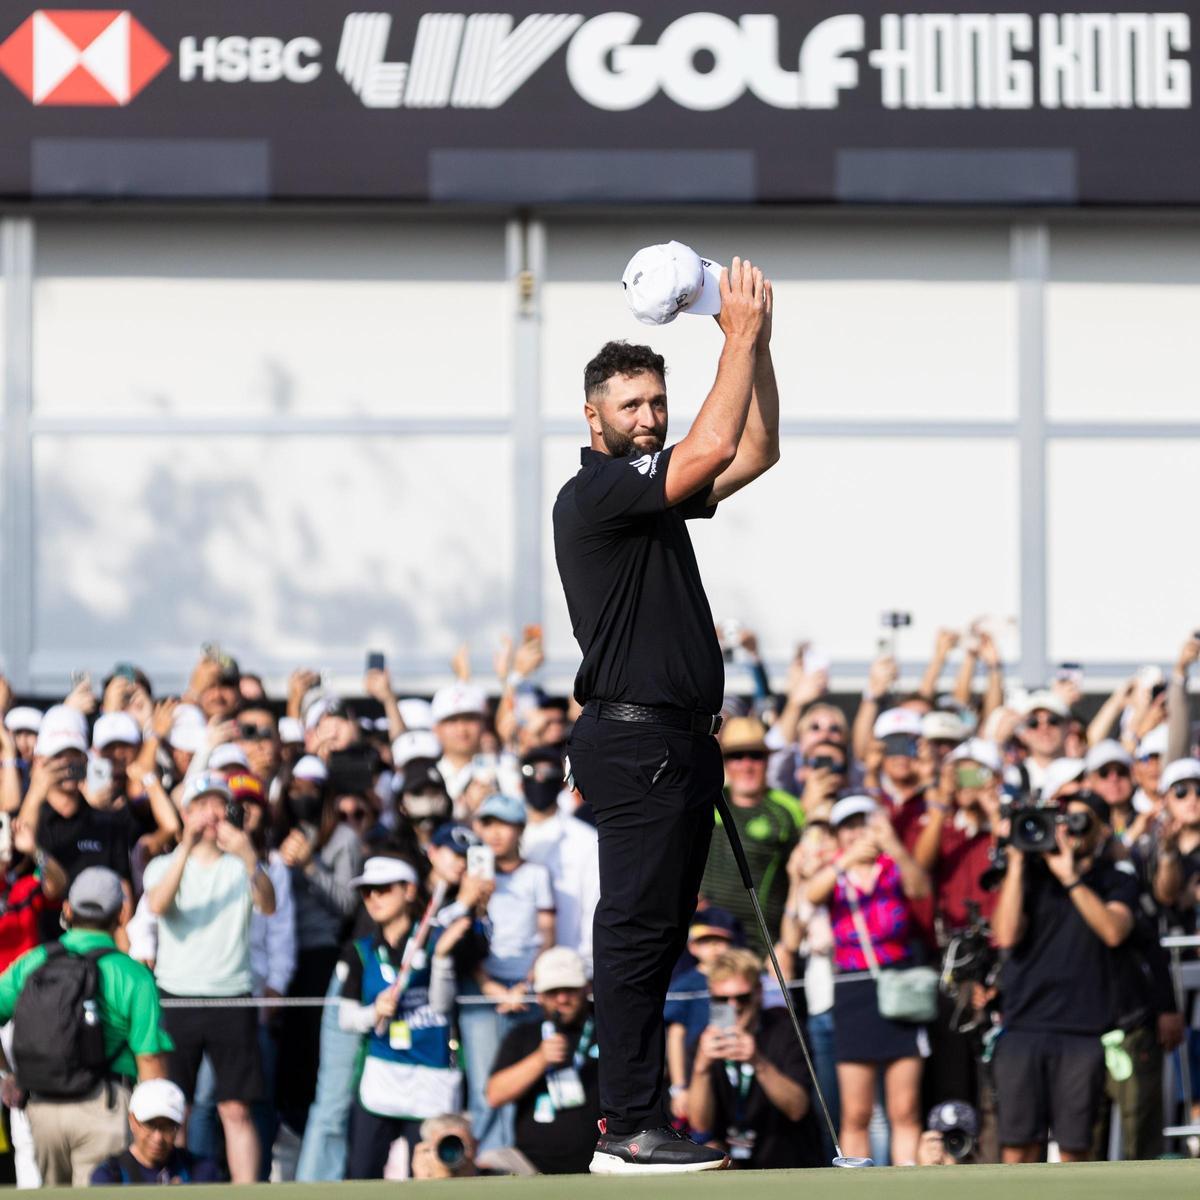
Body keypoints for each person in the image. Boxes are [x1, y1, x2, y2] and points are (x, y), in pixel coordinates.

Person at [555, 255, 778, 1174]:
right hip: (635, 738)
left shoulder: (653, 501)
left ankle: (638, 1121)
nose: (647, 417)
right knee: (636, 933)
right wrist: (734, 336)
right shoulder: (599, 492)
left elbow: (755, 448)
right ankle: (626, 1127)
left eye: (656, 401)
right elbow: (714, 446)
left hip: (675, 745)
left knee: (655, 931)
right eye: (631, 405)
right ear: (594, 415)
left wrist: (756, 349)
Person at [0, 868, 173, 1187]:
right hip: (104, 1108)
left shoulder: (33, 961)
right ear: (121, 914)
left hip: (42, 1110)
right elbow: (150, 1063)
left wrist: (7, 1074)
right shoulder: (133, 976)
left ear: (67, 910)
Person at [143, 771, 276, 1184]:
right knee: (175, 1107)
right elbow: (159, 905)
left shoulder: (241, 864)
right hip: (177, 995)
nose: (209, 814)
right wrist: (184, 845)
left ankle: (246, 1190)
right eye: (200, 805)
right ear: (185, 813)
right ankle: (176, 1185)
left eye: (217, 804)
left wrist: (247, 852)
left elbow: (269, 904)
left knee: (235, 1108)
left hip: (231, 995)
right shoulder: (164, 864)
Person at [992, 792, 1138, 1163]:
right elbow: (1005, 935)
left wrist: (1071, 877)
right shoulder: (1030, 875)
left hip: (1082, 1030)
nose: (1070, 831)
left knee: (1075, 1149)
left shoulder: (1114, 879)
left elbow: (1113, 931)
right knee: (1017, 1147)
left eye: (1081, 822)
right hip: (1024, 1025)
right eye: (1063, 821)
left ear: (1102, 829)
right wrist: (1016, 863)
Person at [805, 795, 930, 1166]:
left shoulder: (894, 866)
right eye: (849, 825)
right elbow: (811, 895)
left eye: (864, 822)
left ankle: (907, 1188)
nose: (858, 832)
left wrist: (892, 843)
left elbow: (921, 890)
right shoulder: (834, 870)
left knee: (904, 1108)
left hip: (900, 986)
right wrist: (845, 861)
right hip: (854, 990)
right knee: (857, 1111)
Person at [336, 857, 470, 1179]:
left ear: (409, 891)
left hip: (430, 1079)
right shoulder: (360, 951)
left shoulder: (436, 940)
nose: (374, 899)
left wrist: (440, 958)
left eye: (382, 889)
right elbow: (346, 1019)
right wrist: (373, 1012)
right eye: (367, 892)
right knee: (361, 1173)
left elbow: (440, 1006)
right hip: (382, 1077)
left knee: (427, 1174)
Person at [463, 792, 555, 1153]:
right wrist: (490, 986)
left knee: (521, 1079)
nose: (495, 833)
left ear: (520, 828)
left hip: (527, 990)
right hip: (480, 990)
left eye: (504, 823)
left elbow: (546, 936)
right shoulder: (471, 876)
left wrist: (525, 985)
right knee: (484, 1083)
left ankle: (518, 1157)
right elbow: (464, 939)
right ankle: (484, 1160)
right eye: (487, 823)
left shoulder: (536, 874)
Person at [687, 948, 823, 1169]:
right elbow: (700, 1124)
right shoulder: (705, 1041)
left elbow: (798, 1108)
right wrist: (701, 1069)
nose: (733, 1006)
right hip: (733, 1163)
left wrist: (758, 1062)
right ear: (711, 996)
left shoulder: (787, 1030)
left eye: (742, 997)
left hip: (790, 1159)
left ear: (759, 992)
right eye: (722, 999)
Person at [487, 947, 599, 1175]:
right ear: (539, 995)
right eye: (552, 992)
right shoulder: (523, 1035)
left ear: (586, 988)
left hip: (599, 1162)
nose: (562, 999)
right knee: (489, 1163)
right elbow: (494, 1095)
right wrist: (539, 1060)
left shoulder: (608, 1032)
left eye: (569, 990)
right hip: (529, 1164)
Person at [700, 717, 802, 956]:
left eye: (755, 755)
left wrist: (786, 946)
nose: (747, 765)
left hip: (765, 946)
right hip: (707, 942)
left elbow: (800, 880)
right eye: (736, 756)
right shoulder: (705, 802)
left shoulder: (788, 810)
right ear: (724, 761)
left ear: (768, 761)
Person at [518, 745, 600, 972]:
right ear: (519, 784)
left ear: (563, 784)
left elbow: (593, 908)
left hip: (568, 969)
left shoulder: (585, 840)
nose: (540, 779)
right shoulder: (504, 838)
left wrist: (585, 967)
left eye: (550, 774)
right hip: (513, 968)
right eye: (532, 772)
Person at [664, 908, 739, 1121]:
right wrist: (679, 1087)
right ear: (693, 946)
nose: (715, 947)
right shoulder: (684, 985)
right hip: (694, 1073)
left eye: (720, 940)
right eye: (706, 941)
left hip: (733, 1072)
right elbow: (676, 1037)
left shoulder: (739, 983)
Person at [91, 1079, 221, 1185]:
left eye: (168, 1127)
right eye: (150, 1125)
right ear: (132, 1121)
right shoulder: (109, 1175)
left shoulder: (201, 1171)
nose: (158, 1137)